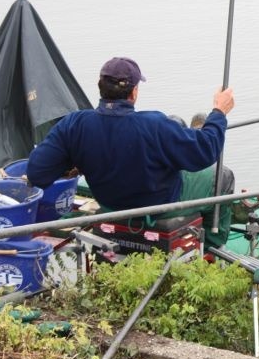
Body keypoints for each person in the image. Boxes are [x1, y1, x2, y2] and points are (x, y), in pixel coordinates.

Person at [27, 57, 235, 248]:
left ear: (100, 87)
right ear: (134, 92)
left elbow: (37, 173)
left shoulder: (74, 124)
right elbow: (206, 150)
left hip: (110, 203)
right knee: (223, 177)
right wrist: (219, 112)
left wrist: (75, 161)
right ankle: (211, 247)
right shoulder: (154, 124)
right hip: (159, 204)